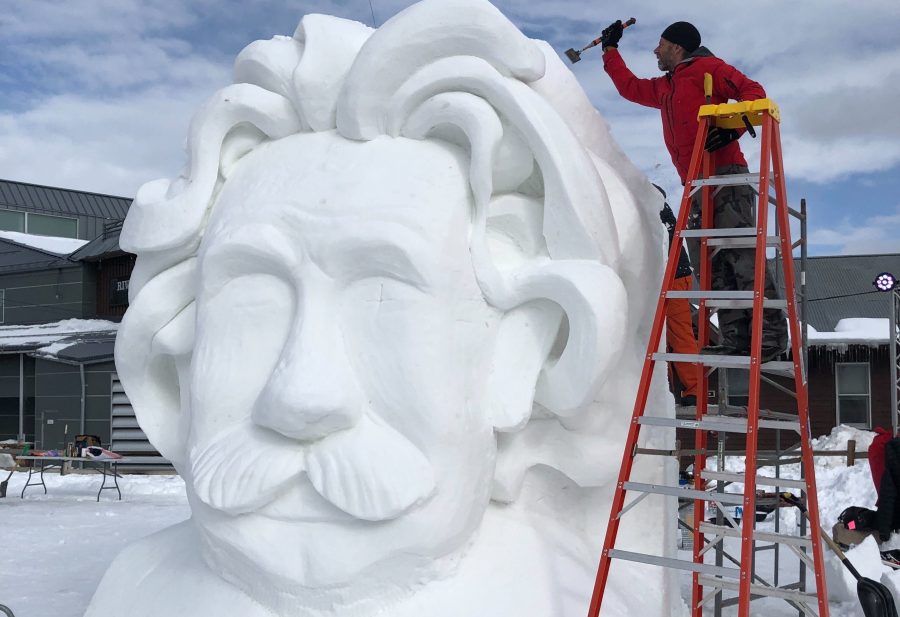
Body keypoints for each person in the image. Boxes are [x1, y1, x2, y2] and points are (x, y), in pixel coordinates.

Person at [85, 2, 676, 616]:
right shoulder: (133, 591)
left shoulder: (573, 598)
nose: (301, 398)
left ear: (523, 350)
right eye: (252, 301)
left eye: (382, 300)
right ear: (180, 351)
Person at [599, 20, 787, 361]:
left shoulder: (708, 69)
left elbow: (754, 93)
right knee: (711, 264)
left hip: (726, 177)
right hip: (695, 186)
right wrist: (610, 50)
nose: (655, 50)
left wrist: (732, 129)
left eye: (661, 44)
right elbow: (629, 87)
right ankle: (736, 338)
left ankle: (771, 335)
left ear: (677, 47)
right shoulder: (665, 87)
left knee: (741, 256)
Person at [656, 185, 699, 406]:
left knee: (677, 334)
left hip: (673, 277)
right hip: (670, 276)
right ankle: (668, 388)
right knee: (666, 336)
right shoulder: (662, 212)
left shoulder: (659, 211)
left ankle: (694, 389)